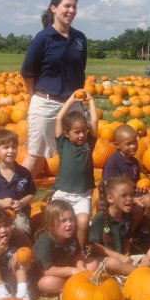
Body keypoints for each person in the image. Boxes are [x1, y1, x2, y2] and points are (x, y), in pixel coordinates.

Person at [20, 0, 87, 177]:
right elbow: (28, 73)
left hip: (73, 105)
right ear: (54, 8)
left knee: (76, 152)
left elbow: (79, 70)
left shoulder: (80, 39)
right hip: (46, 103)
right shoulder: (42, 39)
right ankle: (18, 197)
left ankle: (69, 192)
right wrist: (34, 97)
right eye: (67, 5)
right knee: (36, 156)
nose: (71, 10)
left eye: (74, 6)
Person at [53, 90, 98, 250]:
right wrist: (71, 100)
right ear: (67, 133)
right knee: (57, 222)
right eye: (76, 132)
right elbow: (59, 118)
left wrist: (91, 101)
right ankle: (59, 248)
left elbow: (94, 121)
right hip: (63, 193)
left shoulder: (88, 145)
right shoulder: (63, 144)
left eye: (84, 131)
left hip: (82, 196)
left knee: (83, 222)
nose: (81, 135)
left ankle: (78, 250)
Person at [102, 124, 150, 240]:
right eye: (128, 144)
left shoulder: (134, 162)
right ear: (117, 145)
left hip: (132, 196)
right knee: (139, 210)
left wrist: (141, 189)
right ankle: (127, 237)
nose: (133, 146)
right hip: (117, 199)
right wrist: (132, 199)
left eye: (135, 142)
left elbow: (135, 183)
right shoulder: (112, 162)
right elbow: (109, 188)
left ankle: (143, 231)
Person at [0, 128, 36, 235]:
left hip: (18, 213)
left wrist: (21, 203)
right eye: (6, 147)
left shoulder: (24, 173)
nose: (11, 151)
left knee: (21, 228)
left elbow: (31, 194)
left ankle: (22, 248)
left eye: (14, 147)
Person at [33, 200, 98, 295]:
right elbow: (46, 271)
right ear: (50, 224)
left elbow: (78, 254)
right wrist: (71, 271)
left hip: (69, 270)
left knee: (93, 263)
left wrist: (81, 266)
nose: (69, 224)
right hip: (53, 275)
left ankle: (78, 282)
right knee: (45, 283)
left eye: (71, 219)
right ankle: (71, 287)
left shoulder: (70, 234)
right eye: (63, 221)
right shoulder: (44, 243)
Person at [89, 177, 150, 276]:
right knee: (113, 263)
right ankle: (140, 274)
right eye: (124, 195)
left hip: (121, 258)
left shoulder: (126, 217)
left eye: (131, 195)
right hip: (102, 259)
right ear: (110, 198)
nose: (130, 199)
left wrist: (126, 256)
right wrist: (119, 257)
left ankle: (130, 272)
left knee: (148, 259)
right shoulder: (99, 218)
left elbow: (126, 241)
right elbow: (94, 245)